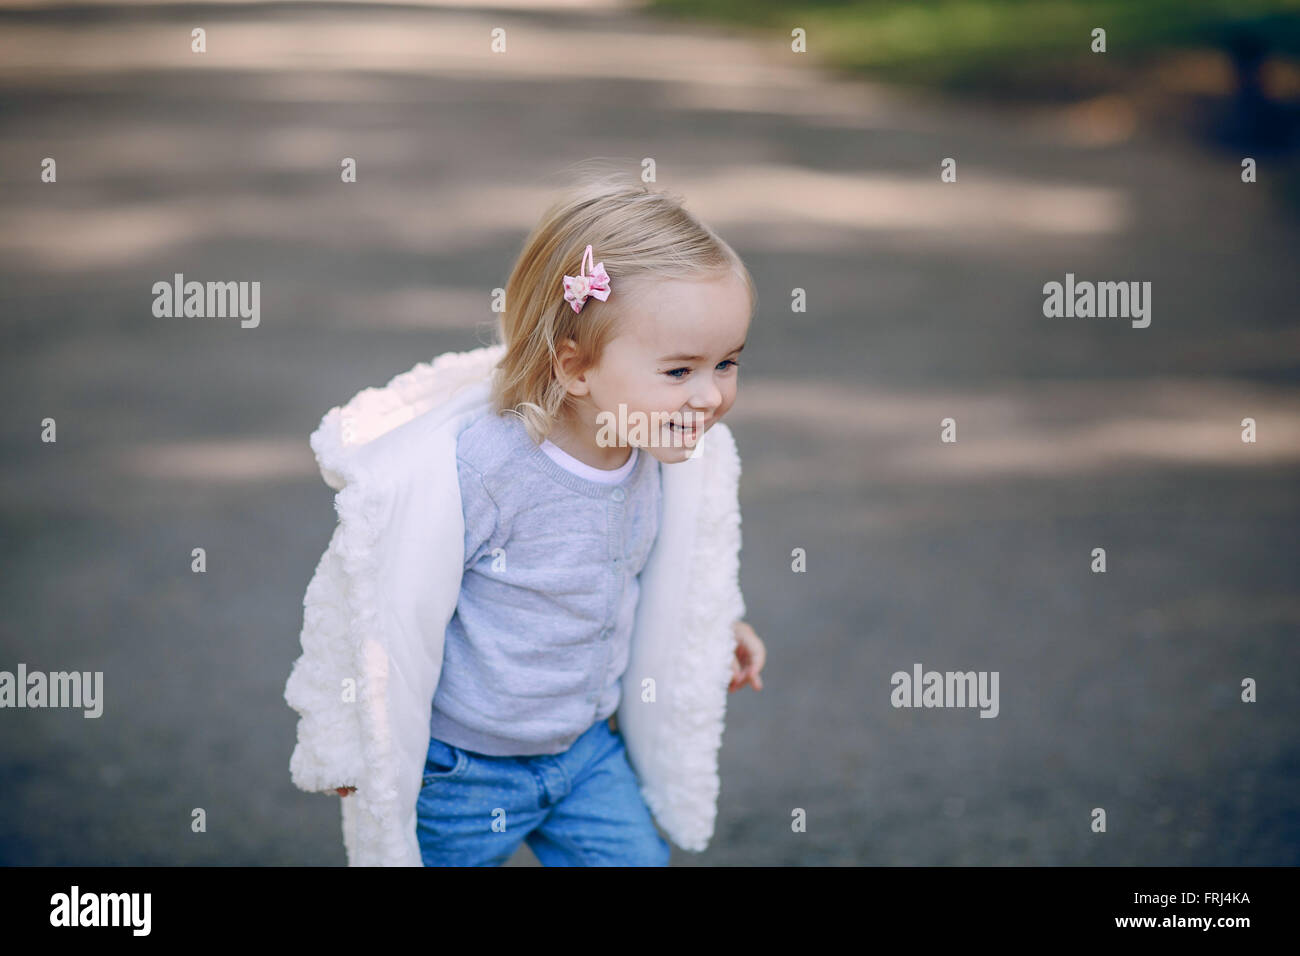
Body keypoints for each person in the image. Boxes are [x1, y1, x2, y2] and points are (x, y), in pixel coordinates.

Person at [285, 166, 765, 866]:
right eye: (679, 370)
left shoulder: (664, 455)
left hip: (587, 753)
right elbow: (368, 600)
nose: (710, 397)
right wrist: (349, 738)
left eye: (728, 363)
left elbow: (678, 564)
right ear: (575, 368)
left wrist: (715, 623)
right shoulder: (482, 469)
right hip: (462, 770)